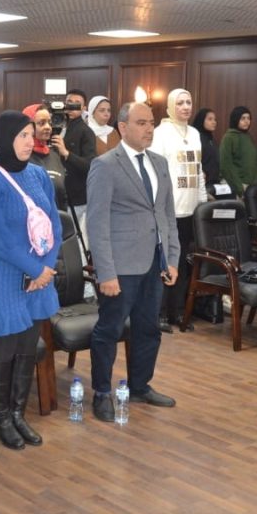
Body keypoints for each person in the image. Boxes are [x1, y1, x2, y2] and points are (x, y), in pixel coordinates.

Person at [0, 111, 62, 449]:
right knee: (6, 346)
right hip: (2, 274)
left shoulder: (38, 174)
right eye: (22, 135)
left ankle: (19, 414)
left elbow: (54, 224)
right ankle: (2, 419)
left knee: (27, 345)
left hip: (39, 274)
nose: (28, 141)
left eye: (30, 135)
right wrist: (35, 270)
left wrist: (46, 268)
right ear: (5, 137)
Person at [86, 102, 180, 422]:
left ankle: (140, 386)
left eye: (151, 122)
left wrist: (172, 258)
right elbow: (97, 224)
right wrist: (105, 272)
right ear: (123, 128)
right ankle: (101, 392)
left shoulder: (159, 162)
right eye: (141, 123)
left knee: (149, 328)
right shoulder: (105, 165)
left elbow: (167, 215)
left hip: (154, 262)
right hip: (121, 266)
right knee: (109, 330)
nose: (149, 128)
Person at [148, 88, 208, 332]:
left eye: (189, 102)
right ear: (171, 106)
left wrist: (202, 201)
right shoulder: (160, 133)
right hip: (167, 210)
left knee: (183, 262)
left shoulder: (194, 133)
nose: (185, 107)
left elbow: (198, 169)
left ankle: (178, 311)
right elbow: (155, 171)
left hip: (190, 210)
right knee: (165, 261)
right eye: (180, 103)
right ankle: (160, 312)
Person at [54, 88, 97, 224]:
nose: (72, 106)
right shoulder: (54, 126)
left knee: (70, 233)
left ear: (84, 108)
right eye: (69, 102)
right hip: (54, 193)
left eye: (77, 103)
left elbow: (90, 165)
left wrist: (66, 153)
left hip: (75, 197)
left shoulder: (86, 132)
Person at [23, 104, 68, 209]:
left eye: (49, 122)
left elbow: (62, 194)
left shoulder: (54, 155)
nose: (48, 127)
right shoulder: (22, 158)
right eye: (41, 123)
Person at [219, 106, 257, 197]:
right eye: (243, 118)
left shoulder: (248, 137)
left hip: (250, 187)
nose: (246, 121)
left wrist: (254, 185)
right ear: (236, 119)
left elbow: (253, 163)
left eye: (248, 118)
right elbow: (226, 165)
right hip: (237, 186)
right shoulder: (229, 137)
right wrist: (239, 187)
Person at [191, 108, 221, 186]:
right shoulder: (195, 138)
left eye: (215, 119)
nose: (214, 122)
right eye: (210, 119)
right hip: (202, 183)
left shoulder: (211, 139)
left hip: (214, 182)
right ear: (201, 120)